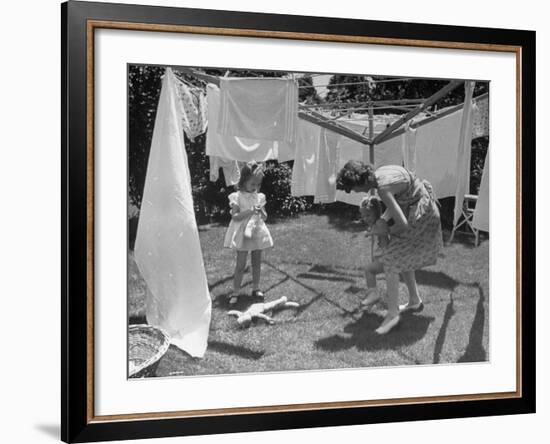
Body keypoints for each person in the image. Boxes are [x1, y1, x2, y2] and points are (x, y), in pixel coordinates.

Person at [337, 161, 443, 334]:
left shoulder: (382, 189)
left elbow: (402, 224)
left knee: (391, 259)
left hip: (421, 216)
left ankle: (393, 314)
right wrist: (383, 222)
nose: (354, 192)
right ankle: (414, 300)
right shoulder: (381, 173)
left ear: (360, 182)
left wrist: (383, 230)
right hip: (422, 210)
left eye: (353, 188)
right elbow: (402, 202)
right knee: (401, 257)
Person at [224, 162, 273, 305]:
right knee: (240, 264)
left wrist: (261, 210)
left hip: (256, 230)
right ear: (244, 181)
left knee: (256, 262)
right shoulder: (237, 197)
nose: (255, 187)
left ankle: (256, 287)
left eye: (258, 184)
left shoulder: (259, 197)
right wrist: (251, 211)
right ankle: (236, 291)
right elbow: (235, 217)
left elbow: (264, 217)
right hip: (242, 233)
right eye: (253, 184)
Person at [359, 195, 389, 307]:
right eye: (363, 216)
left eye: (368, 215)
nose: (365, 218)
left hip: (386, 258)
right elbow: (374, 244)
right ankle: (375, 294)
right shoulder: (373, 225)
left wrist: (371, 232)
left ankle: (374, 294)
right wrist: (373, 257)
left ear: (376, 212)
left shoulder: (380, 222)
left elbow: (385, 232)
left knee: (368, 269)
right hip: (380, 257)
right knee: (370, 269)